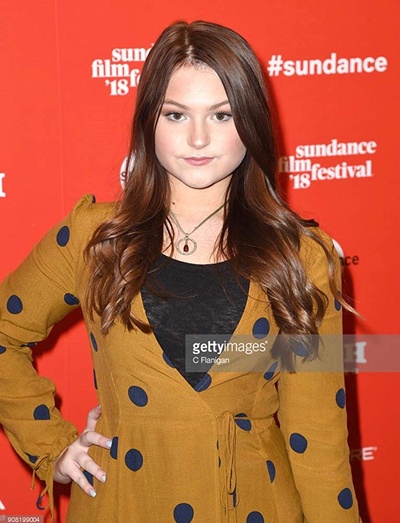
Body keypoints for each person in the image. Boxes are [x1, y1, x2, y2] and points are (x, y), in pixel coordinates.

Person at [0, 19, 362, 523]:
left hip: (255, 507)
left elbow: (318, 442)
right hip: (123, 505)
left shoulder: (300, 256)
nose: (198, 138)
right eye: (176, 114)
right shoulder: (93, 239)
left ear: (252, 120)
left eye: (221, 115)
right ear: (149, 120)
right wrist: (51, 447)